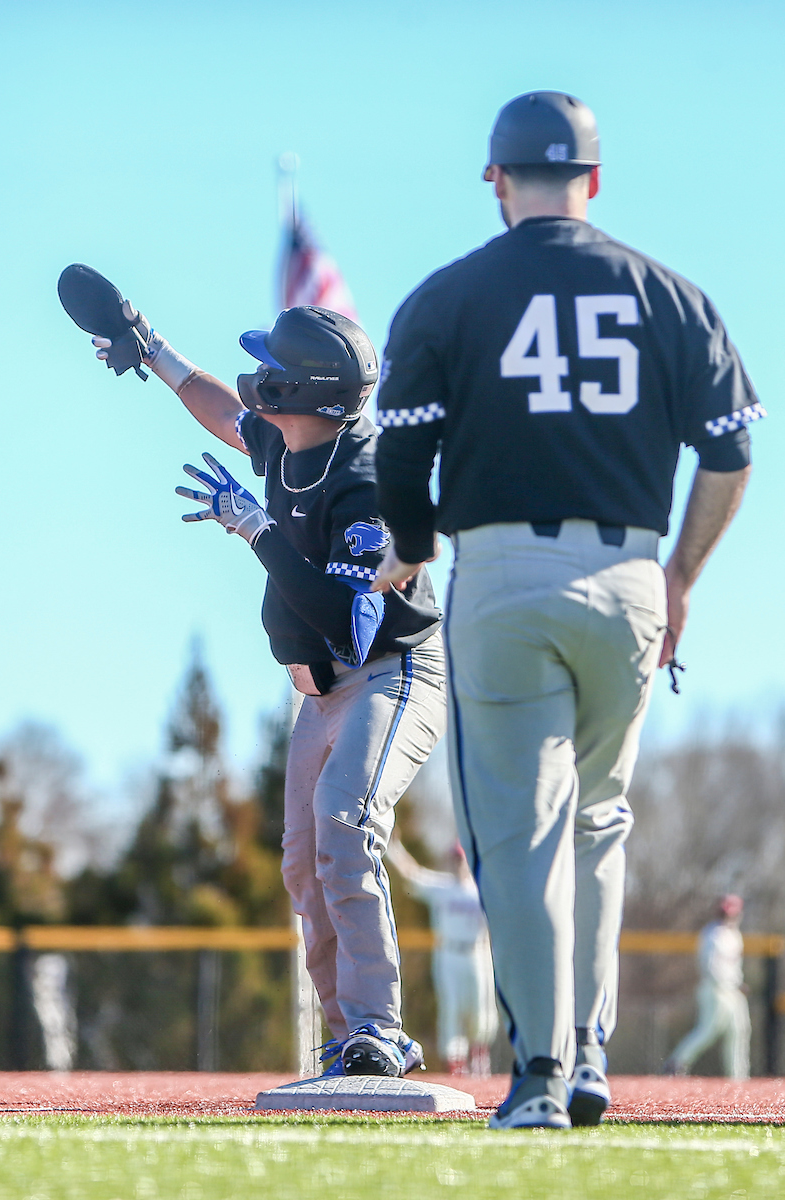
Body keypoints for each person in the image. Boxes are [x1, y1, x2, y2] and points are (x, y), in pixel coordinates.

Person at [371, 91, 762, 1126]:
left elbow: (402, 454)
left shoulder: (448, 296)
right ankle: (587, 1052)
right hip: (629, 576)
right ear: (592, 181)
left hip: (499, 576)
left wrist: (409, 552)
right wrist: (677, 575)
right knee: (599, 821)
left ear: (494, 180)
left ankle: (541, 1073)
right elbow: (730, 453)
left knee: (519, 831)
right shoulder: (669, 296)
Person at [63, 277, 447, 1077]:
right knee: (303, 863)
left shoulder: (365, 481)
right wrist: (151, 349)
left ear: (300, 391)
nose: (258, 375)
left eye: (274, 367)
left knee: (345, 825)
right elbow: (218, 407)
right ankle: (347, 1038)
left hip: (391, 675)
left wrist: (258, 530)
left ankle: (382, 1030)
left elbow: (349, 625)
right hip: (319, 687)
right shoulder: (292, 440)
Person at [387, 835, 499, 1075]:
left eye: (462, 858)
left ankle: (480, 1060)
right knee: (452, 1006)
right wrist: (393, 846)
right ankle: (455, 1064)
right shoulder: (442, 888)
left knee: (480, 1006)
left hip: (476, 952)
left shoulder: (482, 889)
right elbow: (410, 873)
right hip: (449, 952)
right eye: (455, 858)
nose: (458, 863)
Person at [664, 894, 751, 1080]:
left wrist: (737, 984)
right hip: (715, 990)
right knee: (708, 1031)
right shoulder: (712, 933)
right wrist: (730, 984)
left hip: (733, 991)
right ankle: (676, 1062)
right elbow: (710, 967)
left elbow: (733, 967)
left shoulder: (735, 935)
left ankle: (739, 1077)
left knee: (740, 1030)